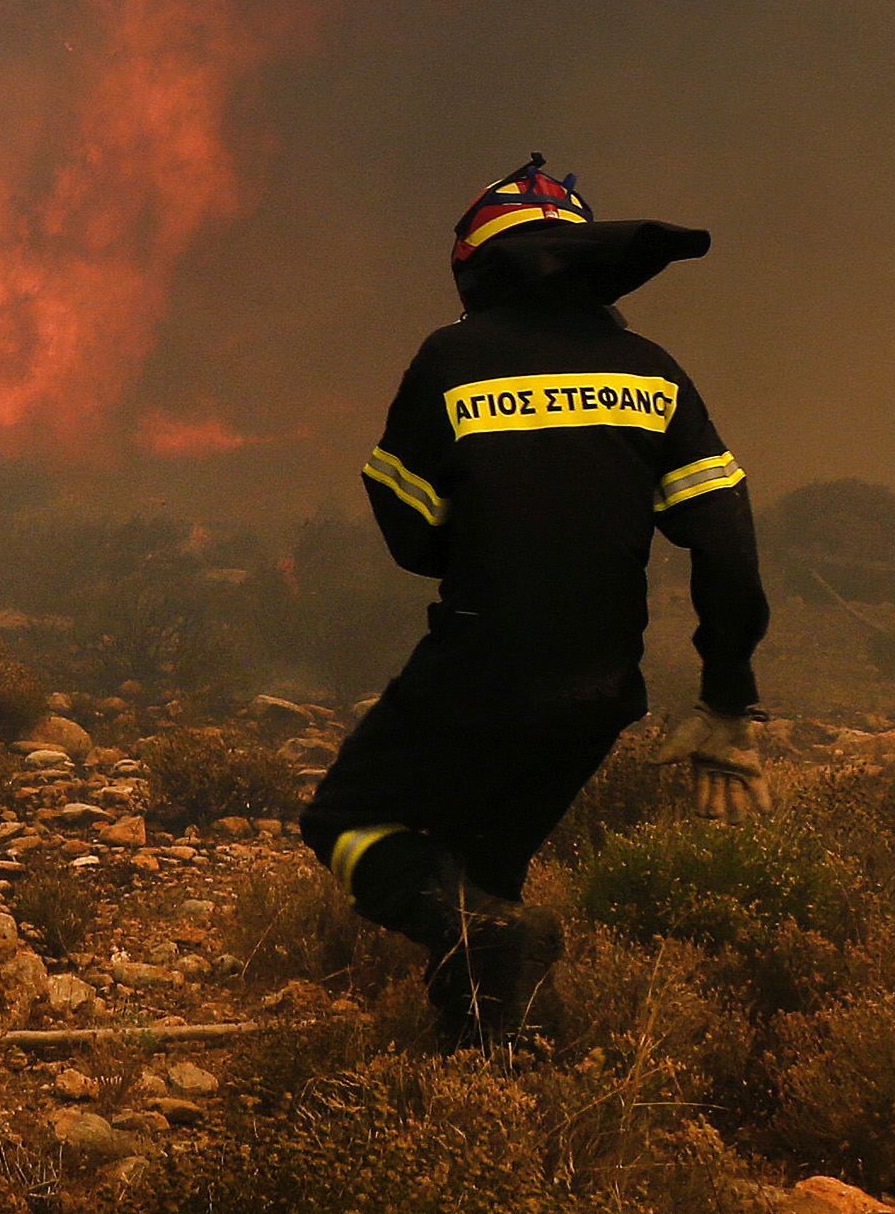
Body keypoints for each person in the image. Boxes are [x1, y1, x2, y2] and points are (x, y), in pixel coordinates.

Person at [300, 156, 774, 1042]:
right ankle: (484, 1073)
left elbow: (410, 530)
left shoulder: (452, 357)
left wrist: (491, 524)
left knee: (346, 818)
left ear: (478, 264)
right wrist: (725, 700)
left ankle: (465, 942)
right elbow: (729, 547)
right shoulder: (653, 373)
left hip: (479, 667)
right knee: (488, 871)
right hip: (599, 693)